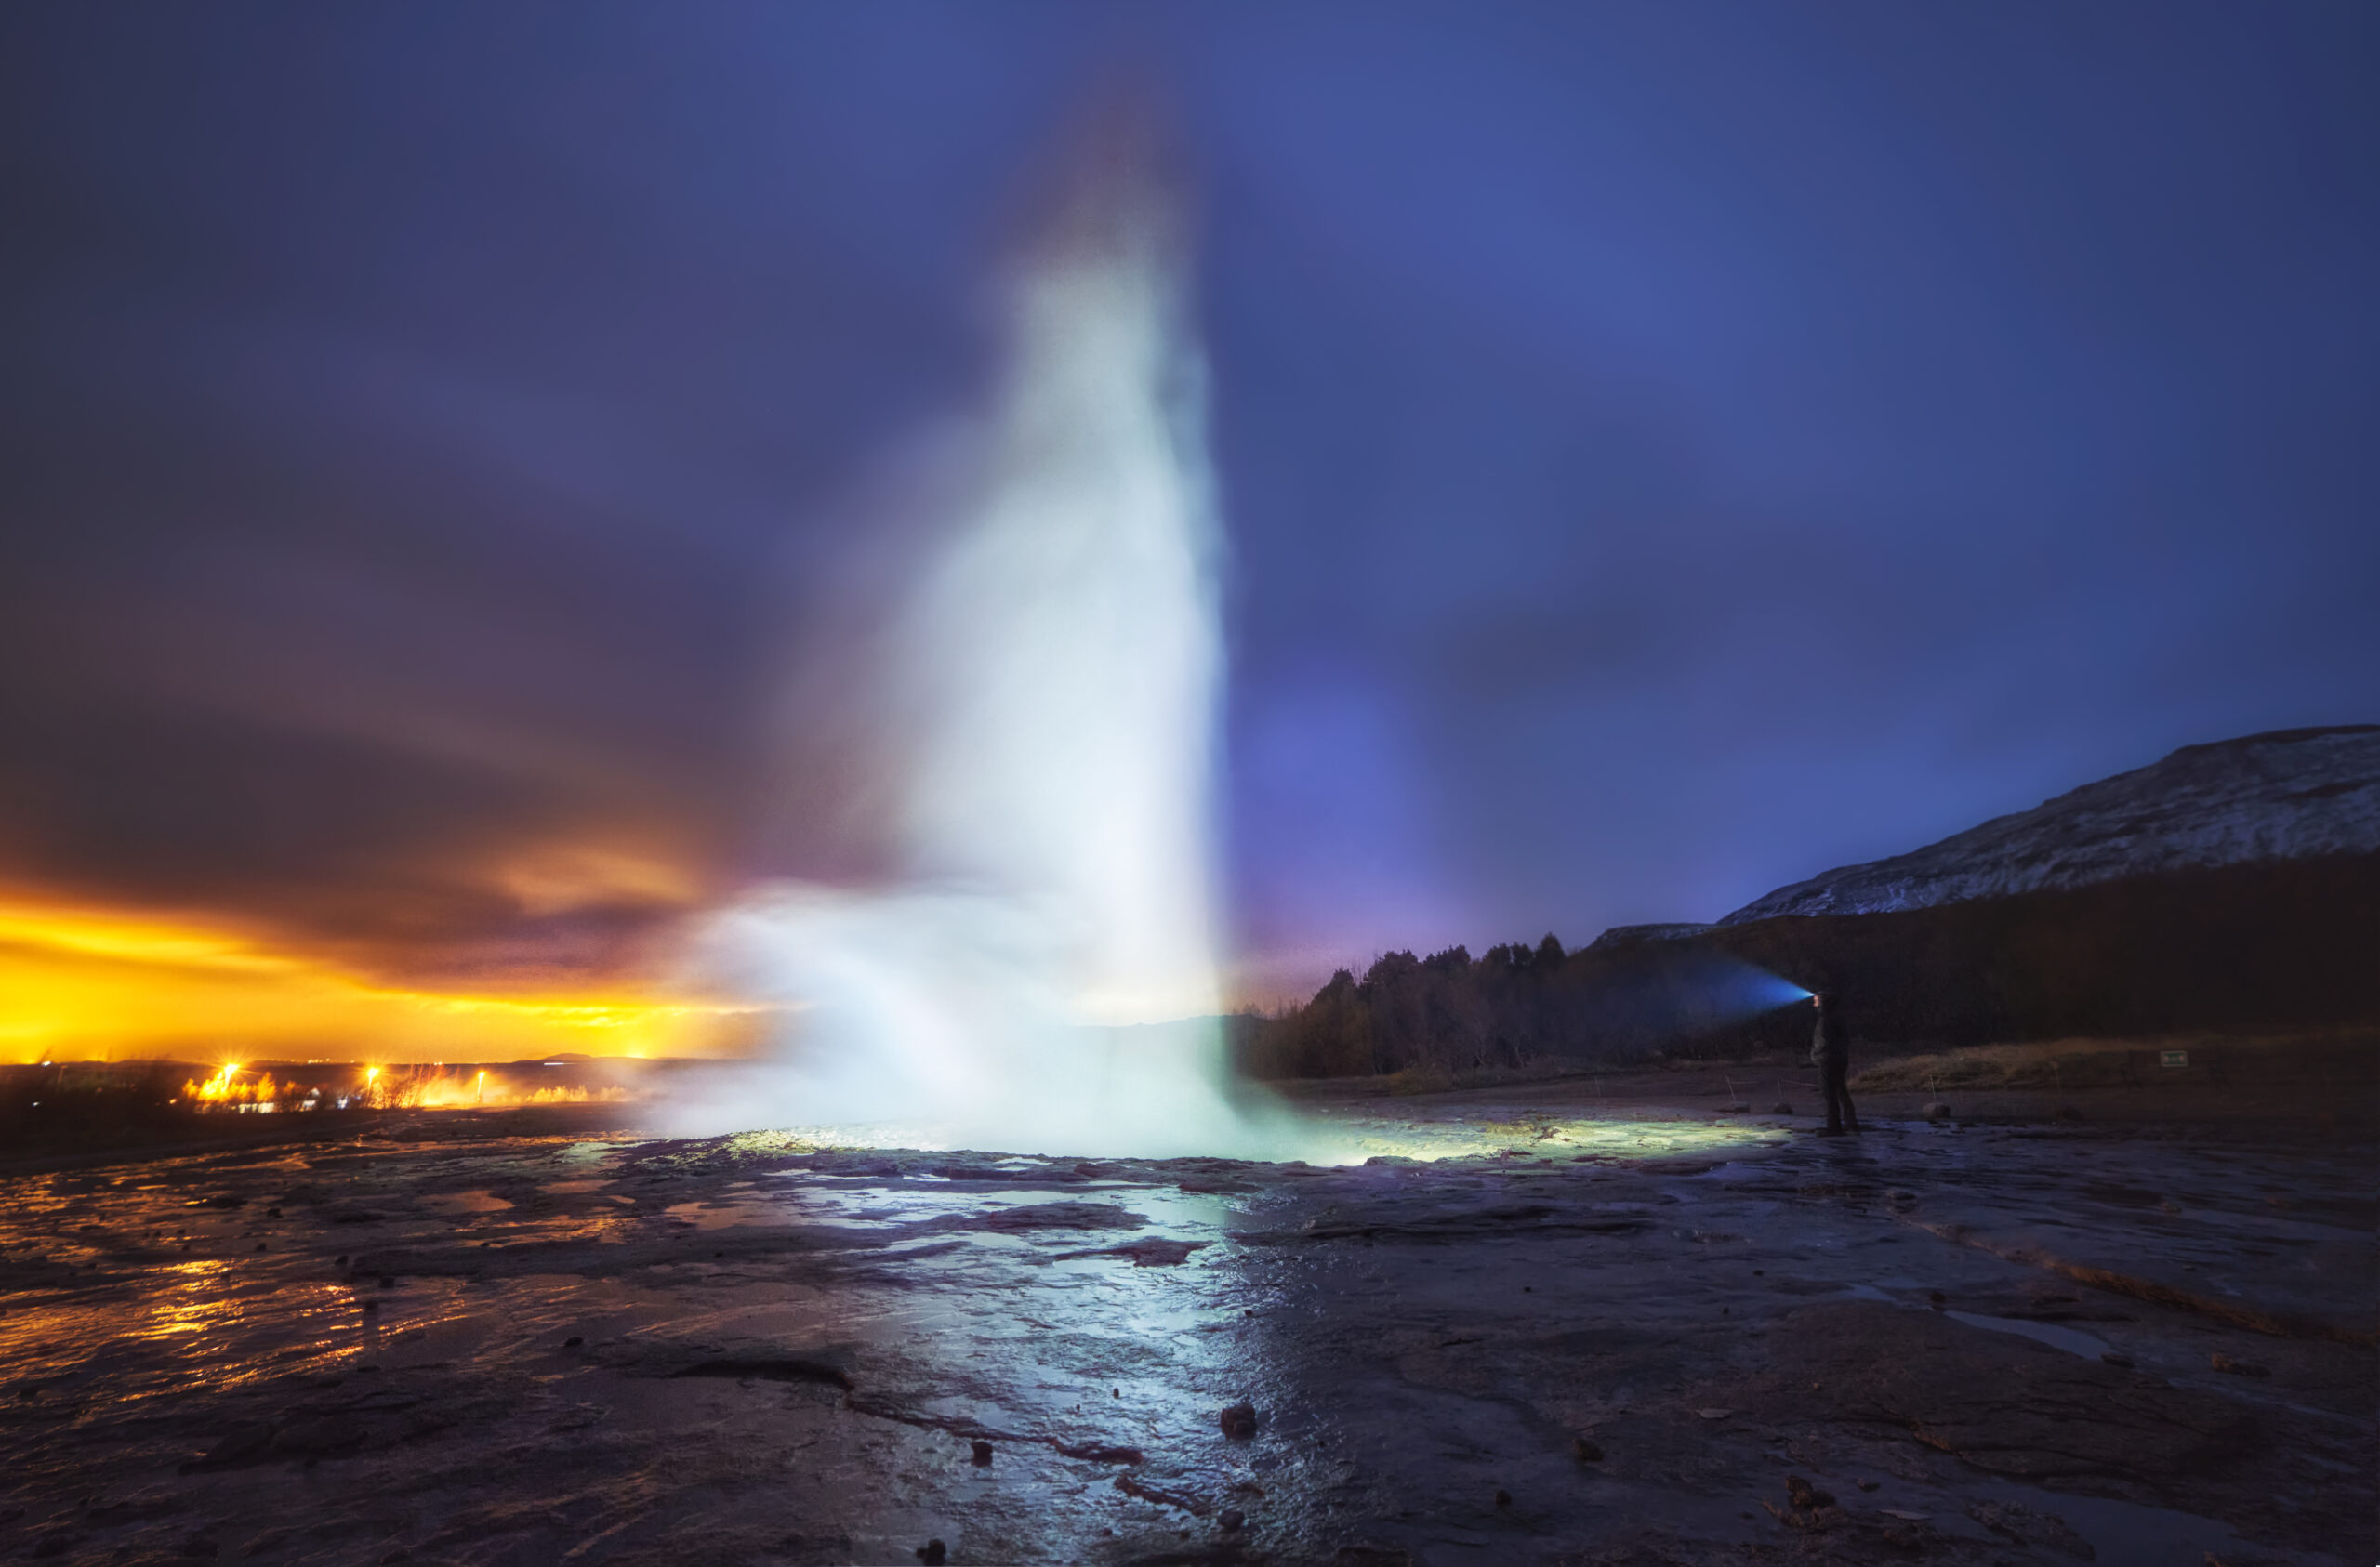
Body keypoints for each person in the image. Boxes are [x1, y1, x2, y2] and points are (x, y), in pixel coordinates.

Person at [1810, 990, 1858, 1135]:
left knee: (1829, 1093)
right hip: (1840, 1058)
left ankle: (1834, 1127)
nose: (1814, 1004)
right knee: (1841, 1091)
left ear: (1823, 1002)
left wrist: (1814, 1055)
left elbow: (1823, 1042)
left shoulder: (1825, 1019)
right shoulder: (1838, 1017)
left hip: (1828, 1060)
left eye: (1816, 1001)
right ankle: (1851, 1123)